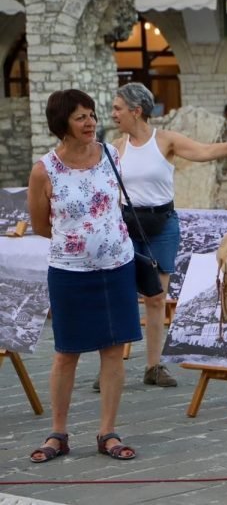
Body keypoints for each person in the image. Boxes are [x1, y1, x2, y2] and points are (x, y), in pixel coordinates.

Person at [102, 82, 227, 390]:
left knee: (157, 298)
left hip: (161, 224)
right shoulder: (116, 146)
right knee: (120, 296)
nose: (114, 114)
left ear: (136, 110)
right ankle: (110, 364)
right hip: (127, 225)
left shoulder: (165, 140)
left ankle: (153, 365)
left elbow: (202, 151)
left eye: (118, 108)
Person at [27, 89, 141, 463]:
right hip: (70, 272)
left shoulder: (111, 155)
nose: (90, 122)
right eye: (80, 117)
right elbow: (41, 224)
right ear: (62, 124)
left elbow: (116, 208)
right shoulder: (44, 169)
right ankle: (58, 433)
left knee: (113, 351)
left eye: (92, 115)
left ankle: (107, 431)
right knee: (66, 354)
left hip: (117, 266)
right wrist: (79, 243)